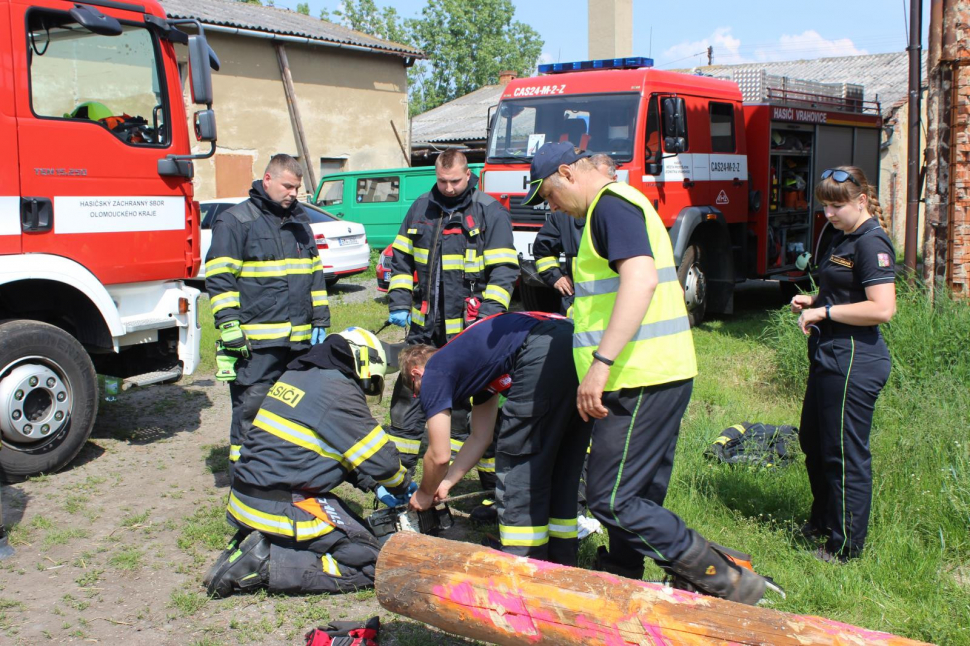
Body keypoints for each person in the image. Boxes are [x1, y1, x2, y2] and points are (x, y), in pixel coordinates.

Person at [522, 141, 766, 605]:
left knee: (612, 499)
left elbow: (641, 279)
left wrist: (601, 365)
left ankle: (723, 577)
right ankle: (623, 572)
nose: (549, 207)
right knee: (641, 493)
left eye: (548, 194)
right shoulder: (612, 206)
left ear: (568, 174)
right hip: (656, 371)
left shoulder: (610, 206)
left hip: (638, 375)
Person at [204, 328, 416, 597]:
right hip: (282, 504)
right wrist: (402, 486)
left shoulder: (300, 375)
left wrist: (372, 484)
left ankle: (263, 544)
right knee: (373, 560)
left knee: (357, 535)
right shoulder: (338, 391)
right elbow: (384, 462)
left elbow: (328, 449)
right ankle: (265, 563)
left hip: (249, 498)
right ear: (365, 361)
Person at [384, 149, 519, 518]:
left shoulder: (489, 210)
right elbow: (400, 259)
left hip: (469, 334)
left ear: (468, 174)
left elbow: (505, 271)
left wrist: (487, 319)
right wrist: (398, 300)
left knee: (471, 413)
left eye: (455, 181)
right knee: (407, 408)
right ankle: (398, 485)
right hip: (425, 330)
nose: (447, 188)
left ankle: (487, 493)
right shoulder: (421, 208)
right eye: (441, 181)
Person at [400, 312, 593, 565]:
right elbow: (481, 437)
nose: (423, 398)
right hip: (576, 344)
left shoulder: (435, 371)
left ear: (416, 374)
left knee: (519, 462)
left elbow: (439, 455)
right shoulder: (475, 368)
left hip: (540, 345)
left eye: (417, 392)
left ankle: (521, 566)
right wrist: (445, 483)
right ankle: (562, 563)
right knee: (559, 466)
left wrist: (424, 494)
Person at [790, 166, 895, 564]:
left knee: (843, 453)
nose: (829, 214)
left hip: (855, 359)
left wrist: (826, 312)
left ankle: (846, 546)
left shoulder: (872, 243)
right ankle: (822, 521)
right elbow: (840, 288)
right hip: (828, 355)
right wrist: (815, 300)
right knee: (813, 442)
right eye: (826, 206)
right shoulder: (841, 236)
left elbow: (882, 308)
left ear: (861, 201)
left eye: (837, 206)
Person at [205, 154, 330, 479]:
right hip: (256, 344)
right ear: (267, 180)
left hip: (299, 341)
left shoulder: (300, 223)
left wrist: (320, 319)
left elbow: (314, 274)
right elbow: (220, 277)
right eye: (288, 186)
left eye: (297, 188)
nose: (293, 193)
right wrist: (229, 324)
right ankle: (247, 482)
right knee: (252, 410)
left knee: (293, 410)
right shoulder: (236, 221)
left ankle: (283, 473)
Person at [532, 154, 616, 315]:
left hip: (607, 313)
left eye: (550, 194)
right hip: (577, 309)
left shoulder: (617, 209)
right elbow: (542, 249)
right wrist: (555, 276)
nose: (552, 207)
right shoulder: (563, 215)